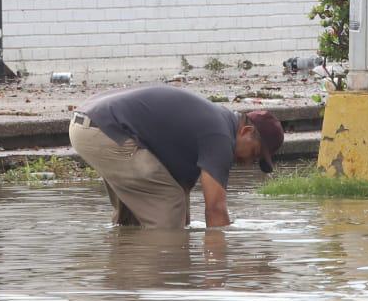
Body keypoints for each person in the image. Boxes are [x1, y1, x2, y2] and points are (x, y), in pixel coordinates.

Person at [69, 85, 284, 229]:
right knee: (170, 216)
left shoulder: (212, 122)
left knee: (132, 223)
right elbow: (215, 209)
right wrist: (220, 270)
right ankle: (163, 281)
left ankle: (126, 283)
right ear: (245, 132)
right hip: (105, 130)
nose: (248, 164)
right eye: (254, 155)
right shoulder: (220, 136)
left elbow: (182, 188)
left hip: (89, 123)